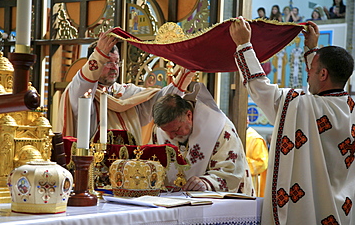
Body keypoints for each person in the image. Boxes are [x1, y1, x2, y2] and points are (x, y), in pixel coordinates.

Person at [230, 18, 355, 225]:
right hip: (341, 216)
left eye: (310, 69)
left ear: (322, 74)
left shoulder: (304, 107)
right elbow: (326, 84)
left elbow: (262, 91)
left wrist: (244, 45)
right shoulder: (353, 112)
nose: (307, 74)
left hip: (311, 215)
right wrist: (313, 50)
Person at [56, 28, 195, 145]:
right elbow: (83, 82)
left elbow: (162, 100)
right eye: (108, 62)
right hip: (95, 167)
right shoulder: (83, 94)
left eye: (117, 62)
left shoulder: (128, 92)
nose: (114, 68)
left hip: (130, 168)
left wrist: (186, 73)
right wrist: (99, 56)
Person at [151, 82, 254, 195]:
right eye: (166, 132)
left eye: (176, 130)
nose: (171, 137)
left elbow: (230, 172)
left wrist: (206, 183)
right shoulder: (160, 130)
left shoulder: (220, 129)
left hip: (213, 203)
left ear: (189, 115)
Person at [246, 118, 268, 197]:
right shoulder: (233, 135)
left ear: (247, 121)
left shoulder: (255, 138)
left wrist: (242, 162)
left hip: (250, 182)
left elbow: (262, 163)